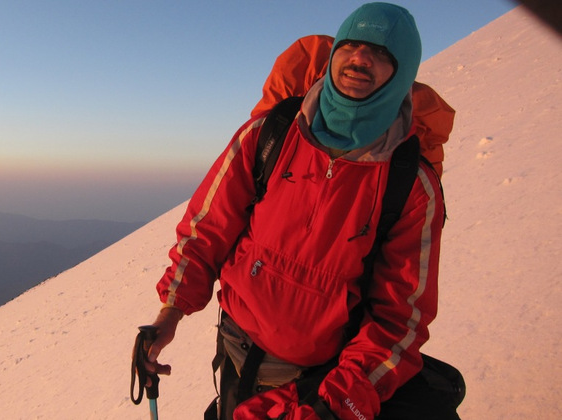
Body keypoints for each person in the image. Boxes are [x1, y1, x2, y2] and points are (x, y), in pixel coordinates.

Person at [142, 3, 451, 419]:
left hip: (317, 380)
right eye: (352, 45)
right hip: (235, 347)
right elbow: (206, 229)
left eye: (381, 53)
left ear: (403, 73)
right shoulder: (271, 133)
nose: (361, 58)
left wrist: (336, 401)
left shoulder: (410, 183)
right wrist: (170, 312)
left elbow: (400, 318)